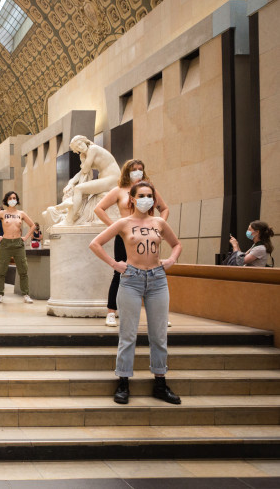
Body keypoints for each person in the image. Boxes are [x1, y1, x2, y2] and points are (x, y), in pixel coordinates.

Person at [89, 181, 183, 406]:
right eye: (141, 195)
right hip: (131, 280)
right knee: (128, 334)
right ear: (131, 198)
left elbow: (176, 244)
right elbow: (95, 243)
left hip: (158, 280)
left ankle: (160, 382)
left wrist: (171, 260)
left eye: (149, 195)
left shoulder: (159, 222)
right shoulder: (123, 223)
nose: (146, 198)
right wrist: (115, 264)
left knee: (159, 335)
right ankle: (123, 382)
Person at [94, 159, 169, 327]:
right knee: (120, 271)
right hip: (125, 235)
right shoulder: (119, 191)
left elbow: (164, 208)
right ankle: (111, 312)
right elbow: (99, 208)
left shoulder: (149, 191)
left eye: (140, 169)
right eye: (134, 169)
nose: (137, 172)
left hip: (147, 235)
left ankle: (159, 314)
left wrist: (159, 227)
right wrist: (114, 227)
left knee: (153, 270)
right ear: (127, 171)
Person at [0, 191, 36, 304]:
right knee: (1, 270)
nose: (12, 200)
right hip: (5, 243)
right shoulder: (2, 213)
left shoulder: (21, 213)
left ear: (17, 200)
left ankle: (26, 294)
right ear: (6, 200)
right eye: (10, 198)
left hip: (18, 243)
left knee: (23, 269)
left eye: (14, 198)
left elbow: (32, 225)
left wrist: (25, 237)